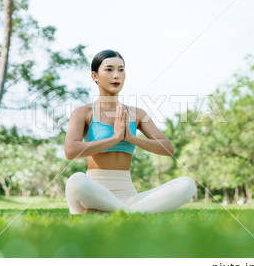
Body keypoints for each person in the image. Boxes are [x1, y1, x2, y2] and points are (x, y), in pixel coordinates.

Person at [64, 49, 196, 214]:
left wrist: (131, 137)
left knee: (186, 185)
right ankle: (129, 212)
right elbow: (70, 151)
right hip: (94, 191)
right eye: (109, 69)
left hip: (129, 196)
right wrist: (115, 138)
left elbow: (167, 148)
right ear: (95, 76)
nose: (116, 75)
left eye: (121, 69)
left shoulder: (137, 114)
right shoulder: (83, 113)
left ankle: (120, 211)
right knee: (76, 181)